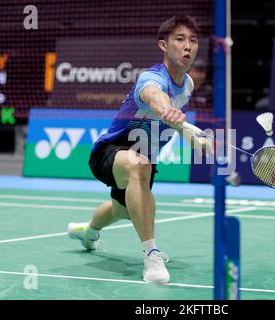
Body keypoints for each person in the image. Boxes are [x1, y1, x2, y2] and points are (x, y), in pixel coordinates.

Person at [67, 15, 212, 284]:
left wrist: (191, 136)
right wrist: (167, 110)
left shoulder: (188, 84)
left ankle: (87, 231)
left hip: (144, 156)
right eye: (179, 39)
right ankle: (151, 256)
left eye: (193, 40)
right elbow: (154, 96)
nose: (188, 46)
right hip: (111, 150)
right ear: (163, 45)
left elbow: (176, 122)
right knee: (139, 166)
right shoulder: (152, 77)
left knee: (121, 210)